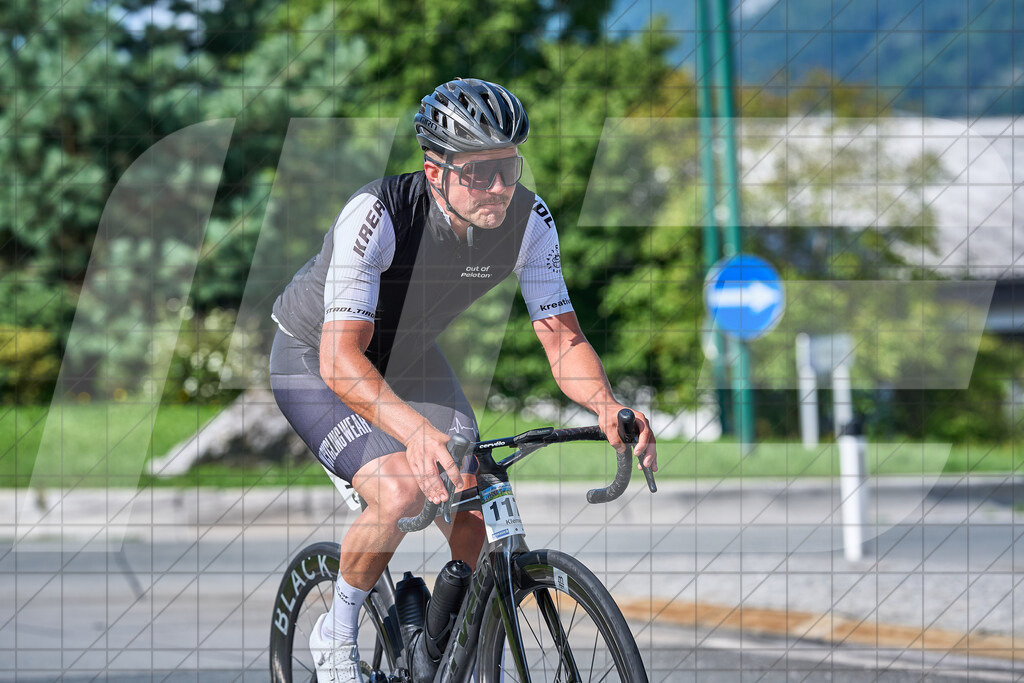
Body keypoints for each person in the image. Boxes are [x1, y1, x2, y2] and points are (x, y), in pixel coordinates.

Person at [269, 77, 658, 682]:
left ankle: (453, 659)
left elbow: (563, 338)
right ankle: (336, 632)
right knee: (399, 490)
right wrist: (417, 434)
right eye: (479, 172)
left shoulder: (529, 222)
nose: (500, 186)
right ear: (435, 172)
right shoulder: (376, 215)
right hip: (314, 359)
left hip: (411, 357)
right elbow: (341, 360)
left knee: (476, 505)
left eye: (507, 166)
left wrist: (606, 404)